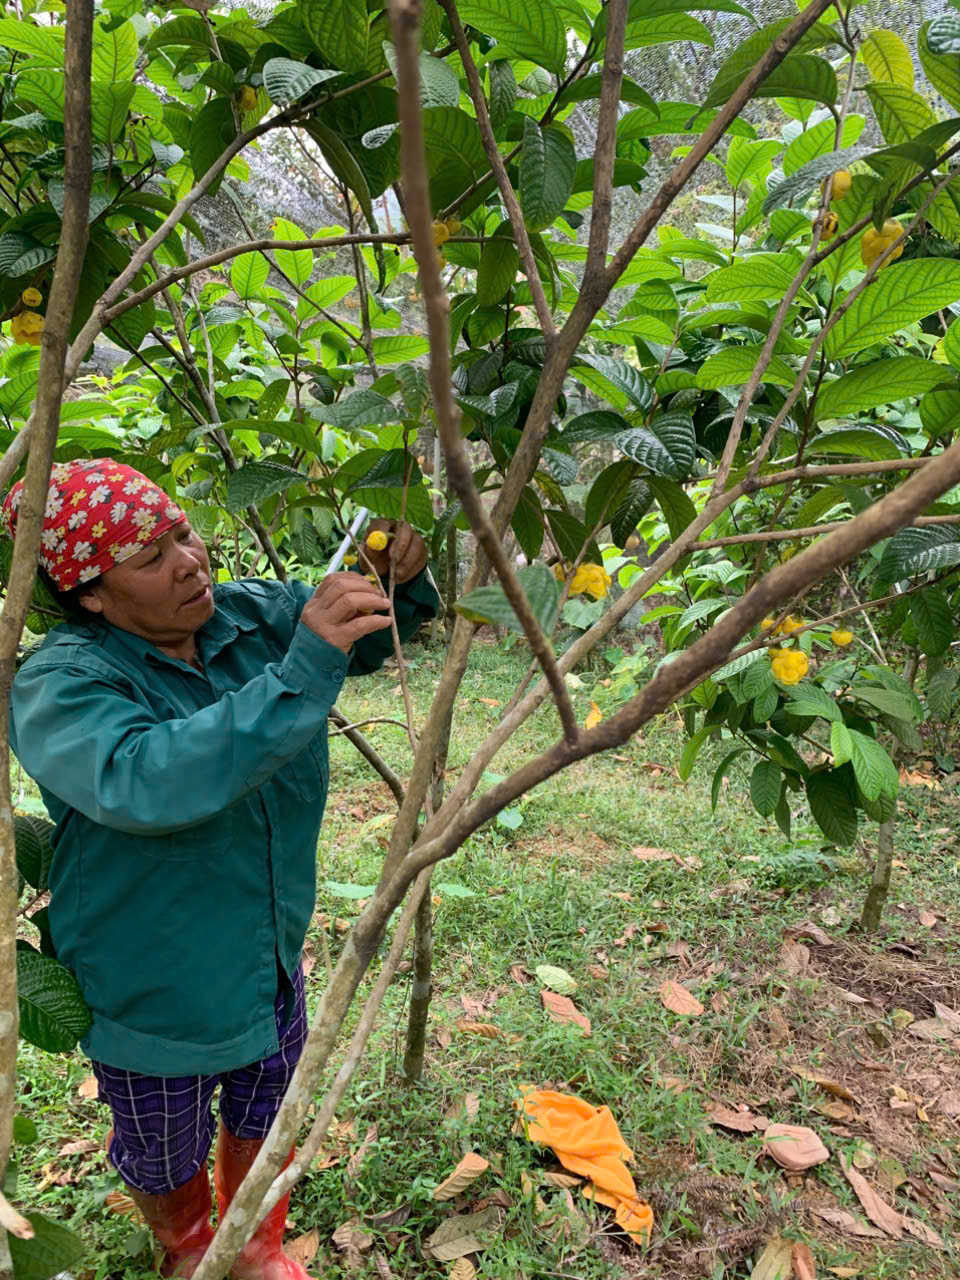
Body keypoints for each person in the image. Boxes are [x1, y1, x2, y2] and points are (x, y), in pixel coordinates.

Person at [4, 458, 437, 1279]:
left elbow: (362, 632)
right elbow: (147, 778)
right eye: (150, 557)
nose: (189, 562)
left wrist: (393, 577)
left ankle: (254, 1245)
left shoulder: (250, 615)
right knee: (162, 1145)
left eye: (183, 534)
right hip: (152, 985)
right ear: (91, 595)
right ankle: (189, 1244)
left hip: (267, 951)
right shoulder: (62, 683)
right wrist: (303, 665)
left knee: (266, 1108)